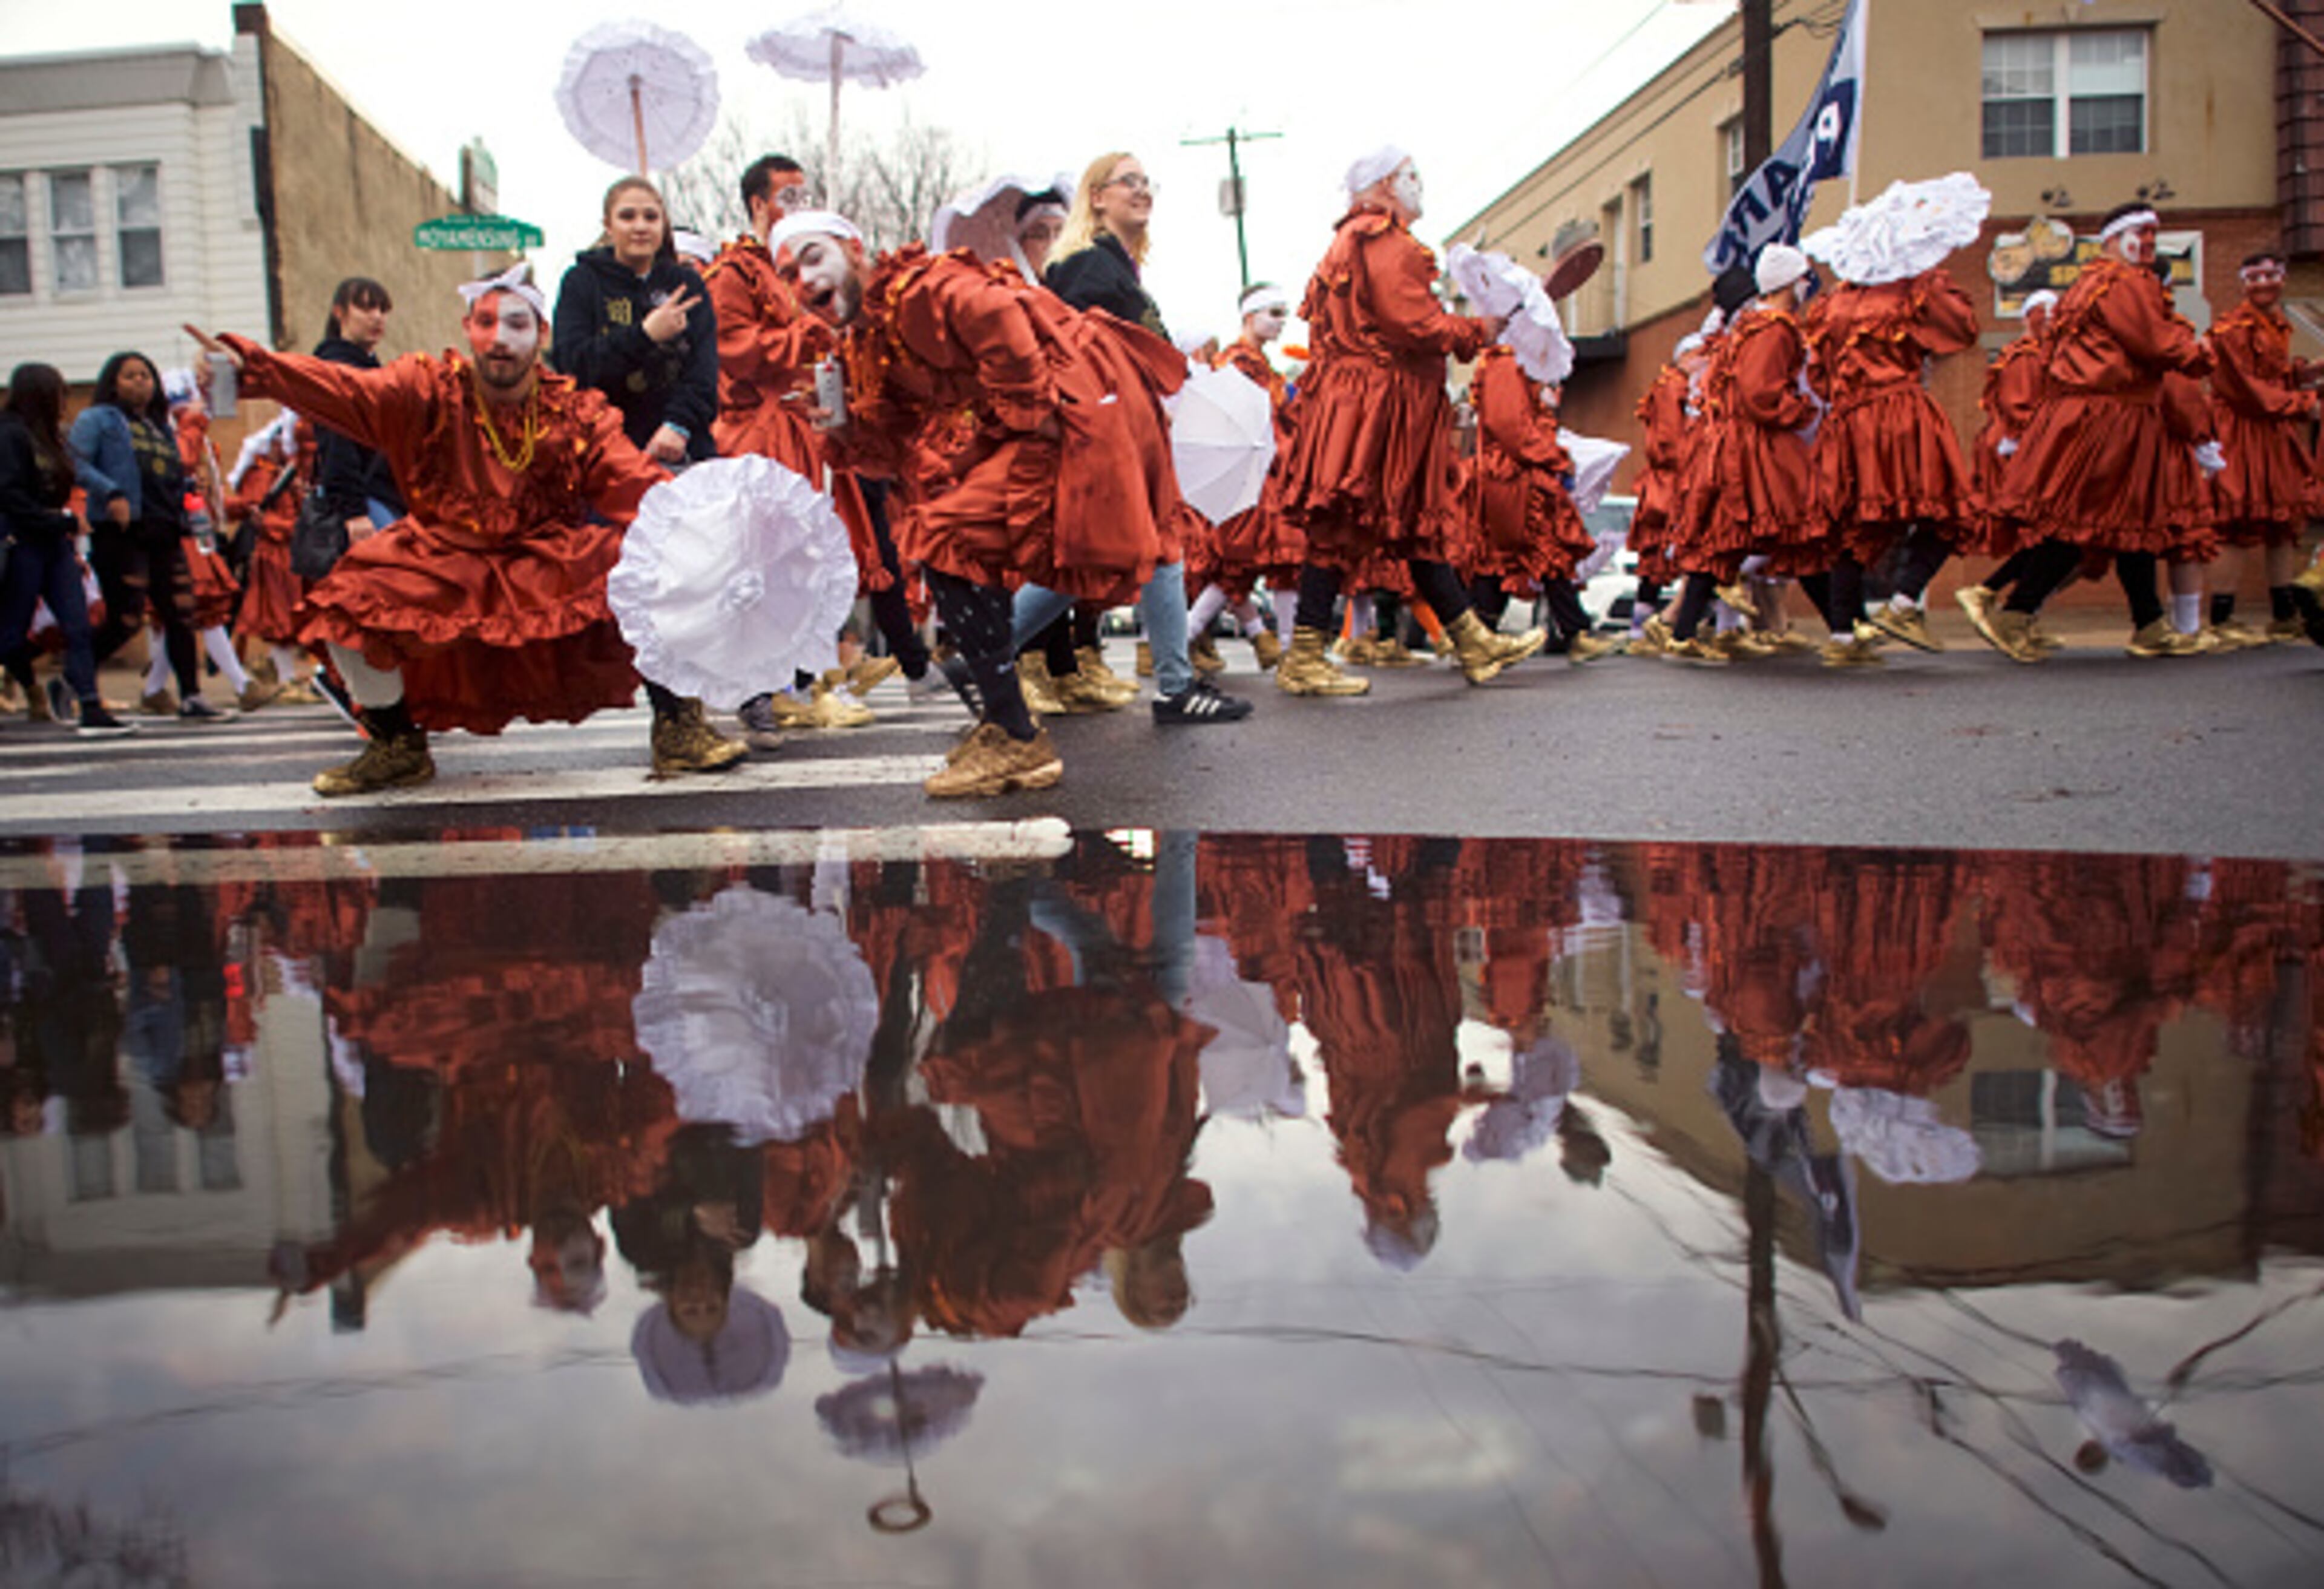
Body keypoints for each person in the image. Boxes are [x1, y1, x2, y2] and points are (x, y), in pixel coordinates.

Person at [184, 260, 749, 794]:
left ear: (541, 332)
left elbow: (635, 482)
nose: (500, 338)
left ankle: (678, 728)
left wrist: (710, 526)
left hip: (547, 555)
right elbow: (347, 389)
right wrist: (255, 367)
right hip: (443, 553)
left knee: (656, 564)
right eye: (486, 323)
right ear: (467, 329)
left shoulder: (575, 411)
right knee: (349, 595)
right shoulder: (427, 389)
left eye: (516, 324)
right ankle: (396, 744)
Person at [770, 209, 1189, 796]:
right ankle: (1006, 722)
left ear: (856, 250)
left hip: (1075, 402)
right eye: (786, 275)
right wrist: (839, 427)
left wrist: (1031, 415)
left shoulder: (918, 289)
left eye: (812, 258)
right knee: (945, 536)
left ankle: (1014, 731)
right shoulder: (863, 341)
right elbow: (892, 444)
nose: (802, 282)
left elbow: (998, 315)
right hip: (1045, 416)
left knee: (948, 533)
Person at [1269, 146, 1542, 696]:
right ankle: (1303, 656)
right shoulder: (1383, 238)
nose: (1421, 184)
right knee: (1340, 521)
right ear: (1386, 184)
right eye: (1411, 175)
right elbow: (1411, 322)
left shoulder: (1357, 239)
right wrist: (1476, 331)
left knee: (1413, 523)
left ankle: (1472, 643)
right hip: (1377, 402)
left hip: (1374, 399)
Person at [704, 153, 921, 738]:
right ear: (757, 204)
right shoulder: (733, 273)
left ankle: (812, 678)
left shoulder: (800, 258)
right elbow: (735, 351)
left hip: (813, 425)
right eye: (788, 197)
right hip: (766, 435)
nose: (799, 208)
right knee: (775, 563)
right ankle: (780, 686)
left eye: (806, 197)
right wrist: (805, 331)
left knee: (824, 559)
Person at [1032, 150, 1252, 725]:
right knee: (1113, 554)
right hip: (1110, 430)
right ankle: (985, 649)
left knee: (1154, 550)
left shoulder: (1110, 265)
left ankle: (1176, 685)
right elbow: (1081, 355)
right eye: (1128, 181)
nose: (1143, 190)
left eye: (1146, 182)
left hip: (1130, 425)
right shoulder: (1085, 265)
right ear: (1097, 196)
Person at [1977, 203, 2214, 660]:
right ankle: (2014, 610)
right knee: (2087, 519)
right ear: (2114, 238)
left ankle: (2149, 624)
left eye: (2152, 235)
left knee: (2129, 522)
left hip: (2110, 414)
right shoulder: (2122, 282)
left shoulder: (2092, 282)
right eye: (2139, 234)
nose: (2147, 243)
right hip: (2111, 417)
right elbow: (2153, 342)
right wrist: (2203, 352)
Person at [1650, 249, 1825, 663]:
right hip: (1756, 448)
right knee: (1797, 526)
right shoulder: (1774, 329)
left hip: (1740, 444)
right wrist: (1800, 408)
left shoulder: (1752, 327)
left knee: (1736, 539)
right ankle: (1844, 627)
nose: (1807, 287)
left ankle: (1684, 631)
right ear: (1789, 283)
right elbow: (1760, 392)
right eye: (1803, 279)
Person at [1809, 254, 1981, 660]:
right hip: (1901, 413)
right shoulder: (1909, 291)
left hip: (1848, 422)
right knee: (1946, 509)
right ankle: (1904, 602)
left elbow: (1818, 375)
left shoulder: (1831, 304)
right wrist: (1928, 282)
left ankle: (1843, 637)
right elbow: (1962, 330)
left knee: (1851, 525)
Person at [67, 350, 224, 719]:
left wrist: (188, 485)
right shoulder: (98, 419)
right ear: (113, 383)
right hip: (121, 531)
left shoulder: (159, 425)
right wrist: (111, 492)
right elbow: (75, 461)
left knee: (182, 613)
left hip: (165, 529)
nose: (140, 382)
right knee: (126, 618)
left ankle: (192, 695)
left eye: (146, 376)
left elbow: (162, 475)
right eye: (130, 376)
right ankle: (75, 677)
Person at [1460, 346, 1617, 662]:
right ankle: (1574, 633)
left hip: (1516, 476)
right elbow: (1512, 430)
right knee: (1543, 553)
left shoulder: (1508, 363)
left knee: (1507, 560)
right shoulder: (1505, 363)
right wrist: (1557, 457)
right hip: (1515, 478)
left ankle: (1479, 637)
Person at [0, 362, 133, 735]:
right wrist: (60, 520)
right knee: (11, 633)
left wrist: (66, 527)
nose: (64, 400)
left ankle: (90, 704)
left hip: (55, 545)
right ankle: (30, 686)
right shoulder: (10, 435)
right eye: (59, 392)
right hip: (22, 543)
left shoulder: (51, 437)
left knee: (78, 625)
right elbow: (9, 496)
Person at [552, 176, 719, 469]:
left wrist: (679, 425)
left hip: (681, 451)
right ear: (609, 225)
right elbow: (573, 366)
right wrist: (644, 335)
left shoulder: (686, 283)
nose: (640, 226)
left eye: (651, 217)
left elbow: (705, 370)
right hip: (605, 456)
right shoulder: (581, 281)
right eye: (627, 216)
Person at [2203, 249, 2317, 645]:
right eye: (2255, 278)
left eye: (2271, 275)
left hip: (2271, 432)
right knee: (2237, 525)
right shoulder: (2231, 329)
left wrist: (2305, 373)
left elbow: (2271, 375)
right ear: (2243, 284)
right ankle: (2222, 619)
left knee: (2281, 525)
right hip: (2243, 432)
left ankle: (2284, 615)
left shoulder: (2276, 324)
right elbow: (2246, 390)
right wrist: (2305, 404)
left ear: (2283, 279)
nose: (2264, 283)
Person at [1188, 283, 1298, 669]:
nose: (1282, 322)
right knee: (1240, 561)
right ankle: (1183, 635)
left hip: (1270, 472)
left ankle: (1288, 650)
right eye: (1274, 313)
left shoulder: (1261, 366)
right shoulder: (1235, 362)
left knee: (1285, 558)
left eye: (1284, 313)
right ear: (1250, 317)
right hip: (1247, 475)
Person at [1956, 289, 2064, 646]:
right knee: (2046, 532)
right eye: (2041, 311)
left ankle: (2019, 611)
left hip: (2041, 449)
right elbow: (2021, 408)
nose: (2050, 317)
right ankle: (1993, 595)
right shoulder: (2024, 356)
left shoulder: (2053, 355)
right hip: (2022, 453)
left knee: (2052, 535)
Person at [311, 277, 405, 541]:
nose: (377, 318)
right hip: (364, 503)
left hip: (385, 497)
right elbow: (337, 439)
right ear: (339, 313)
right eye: (366, 309)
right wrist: (353, 511)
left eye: (382, 310)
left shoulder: (372, 368)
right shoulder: (335, 369)